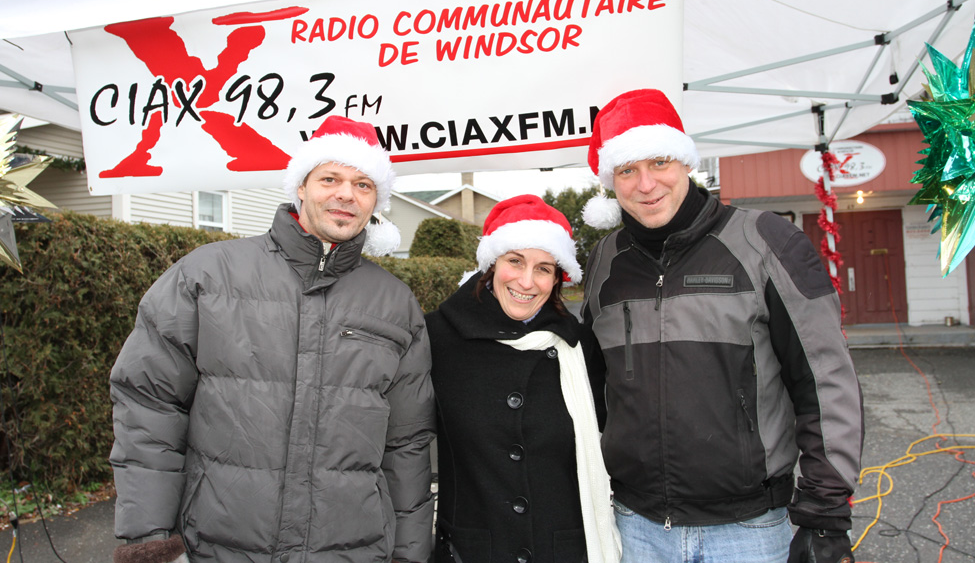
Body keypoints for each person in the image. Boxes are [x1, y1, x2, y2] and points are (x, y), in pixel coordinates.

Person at [109, 116, 435, 563]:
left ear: (376, 199)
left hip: (351, 550)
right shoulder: (206, 275)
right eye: (330, 178)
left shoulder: (395, 304)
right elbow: (149, 405)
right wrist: (151, 543)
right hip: (217, 546)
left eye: (363, 184)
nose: (346, 194)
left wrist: (410, 555)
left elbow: (408, 443)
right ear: (300, 187)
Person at [580, 89, 862, 563]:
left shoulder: (765, 240)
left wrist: (824, 513)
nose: (646, 184)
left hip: (749, 531)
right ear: (612, 180)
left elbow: (825, 381)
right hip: (635, 527)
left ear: (686, 163)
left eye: (660, 163)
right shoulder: (605, 260)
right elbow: (589, 388)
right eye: (627, 170)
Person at [425, 195, 620, 563]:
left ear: (557, 278)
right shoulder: (437, 337)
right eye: (515, 261)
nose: (527, 281)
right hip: (473, 549)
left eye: (544, 268)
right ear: (492, 264)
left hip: (561, 549)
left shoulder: (578, 347)